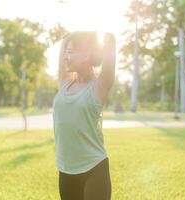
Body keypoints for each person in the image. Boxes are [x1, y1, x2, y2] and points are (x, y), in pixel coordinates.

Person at [52, 31, 115, 200]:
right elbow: (64, 46)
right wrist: (67, 39)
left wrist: (108, 37)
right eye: (66, 52)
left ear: (86, 54)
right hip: (65, 170)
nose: (66, 56)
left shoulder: (98, 87)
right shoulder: (65, 83)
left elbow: (109, 65)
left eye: (71, 52)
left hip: (94, 169)